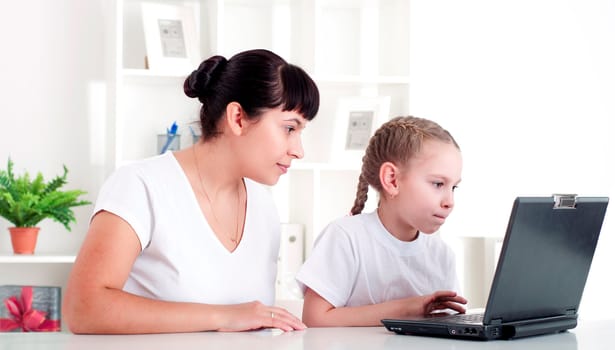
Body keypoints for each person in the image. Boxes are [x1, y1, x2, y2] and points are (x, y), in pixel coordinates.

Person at [63, 49, 320, 334]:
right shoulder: (140, 186)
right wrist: (224, 317)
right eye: (289, 128)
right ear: (237, 118)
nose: (298, 150)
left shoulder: (264, 205)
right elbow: (83, 308)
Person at [296, 116, 467, 327]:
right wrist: (408, 309)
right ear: (392, 180)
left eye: (454, 187)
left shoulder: (442, 255)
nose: (450, 201)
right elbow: (315, 319)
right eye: (438, 184)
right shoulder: (346, 237)